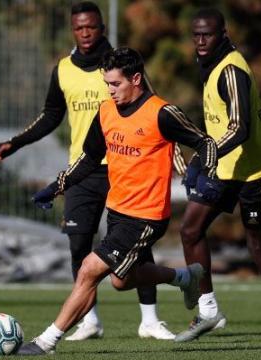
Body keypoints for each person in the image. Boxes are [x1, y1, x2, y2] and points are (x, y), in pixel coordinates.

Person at [0, 1, 175, 341]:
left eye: (91, 27)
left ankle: (150, 319)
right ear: (72, 30)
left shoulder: (120, 64)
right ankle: (89, 321)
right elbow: (50, 115)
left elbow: (156, 114)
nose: (86, 33)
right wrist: (16, 143)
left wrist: (177, 161)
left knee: (134, 245)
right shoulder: (63, 70)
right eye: (79, 28)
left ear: (102, 28)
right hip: (84, 168)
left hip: (126, 168)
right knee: (79, 245)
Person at [16, 46, 220, 355]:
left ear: (136, 79)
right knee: (120, 282)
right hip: (118, 210)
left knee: (88, 270)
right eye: (107, 83)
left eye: (115, 84)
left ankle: (46, 341)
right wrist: (58, 185)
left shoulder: (162, 113)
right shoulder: (106, 111)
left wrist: (199, 170)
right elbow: (89, 159)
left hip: (148, 215)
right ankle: (184, 276)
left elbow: (205, 143)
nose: (110, 91)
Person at [174, 8, 261, 343]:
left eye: (208, 34)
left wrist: (204, 155)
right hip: (225, 167)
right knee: (190, 230)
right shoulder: (207, 64)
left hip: (257, 170)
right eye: (196, 35)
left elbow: (240, 127)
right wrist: (201, 156)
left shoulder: (232, 69)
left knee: (258, 247)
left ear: (223, 33)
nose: (201, 41)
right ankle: (209, 312)